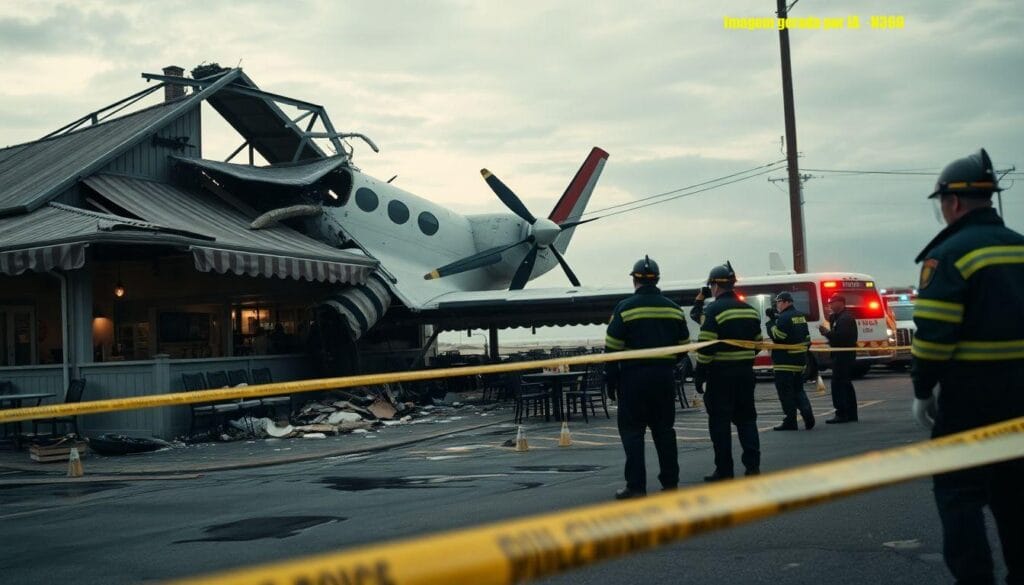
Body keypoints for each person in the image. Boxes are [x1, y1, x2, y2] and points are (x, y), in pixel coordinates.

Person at [911, 148, 1023, 585]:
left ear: (952, 202)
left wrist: (923, 390)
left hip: (971, 400)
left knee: (959, 494)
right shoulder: (1018, 246)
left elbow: (934, 337)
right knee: (1015, 495)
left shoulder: (950, 255)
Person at [605, 256, 690, 499]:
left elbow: (612, 347)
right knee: (665, 431)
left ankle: (636, 486)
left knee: (632, 433)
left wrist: (611, 380)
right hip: (663, 378)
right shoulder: (673, 308)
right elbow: (684, 346)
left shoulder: (625, 307)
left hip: (633, 379)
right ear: (657, 279)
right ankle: (671, 482)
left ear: (635, 280)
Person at [694, 261, 762, 481]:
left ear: (714, 285)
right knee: (747, 420)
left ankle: (724, 470)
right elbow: (758, 343)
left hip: (721, 377)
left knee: (720, 424)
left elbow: (706, 345)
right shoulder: (750, 311)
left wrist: (700, 372)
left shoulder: (713, 309)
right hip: (744, 374)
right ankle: (752, 467)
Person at [765, 292, 815, 430]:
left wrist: (770, 323)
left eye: (778, 303)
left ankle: (790, 421)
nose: (777, 306)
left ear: (786, 302)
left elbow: (778, 336)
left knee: (785, 393)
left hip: (784, 362)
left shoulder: (784, 317)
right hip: (799, 361)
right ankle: (808, 415)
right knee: (798, 390)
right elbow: (806, 338)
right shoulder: (800, 316)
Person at [818, 294, 858, 423]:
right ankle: (851, 414)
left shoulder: (845, 319)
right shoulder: (837, 317)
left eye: (832, 302)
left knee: (838, 384)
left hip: (843, 356)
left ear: (841, 303)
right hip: (841, 355)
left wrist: (827, 333)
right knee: (845, 384)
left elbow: (841, 338)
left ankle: (842, 413)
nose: (830, 305)